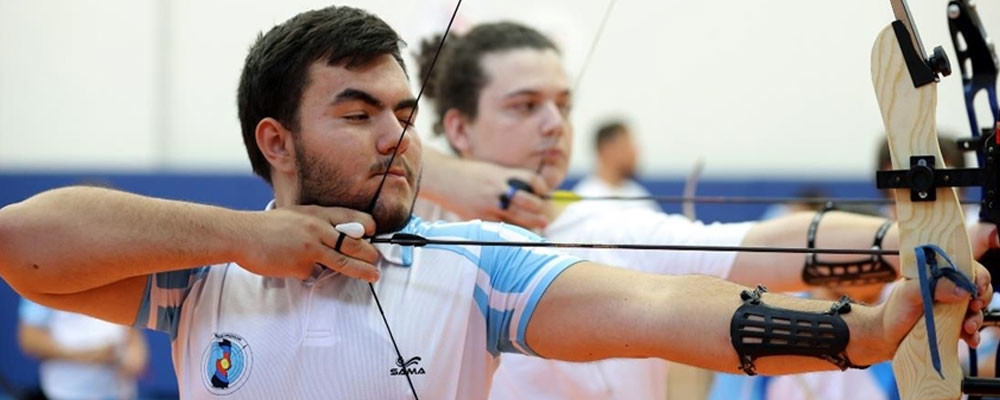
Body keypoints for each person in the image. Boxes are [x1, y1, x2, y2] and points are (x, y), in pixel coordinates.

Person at [0, 6, 991, 399]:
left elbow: (662, 304)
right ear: (276, 139)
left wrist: (860, 331)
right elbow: (23, 244)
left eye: (401, 111)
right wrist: (248, 238)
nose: (396, 134)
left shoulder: (470, 261)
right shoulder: (201, 274)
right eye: (358, 113)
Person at [410, 21, 997, 400]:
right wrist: (443, 173)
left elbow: (761, 245)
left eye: (563, 105)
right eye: (524, 105)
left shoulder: (602, 219)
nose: (553, 125)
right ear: (457, 126)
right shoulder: (403, 239)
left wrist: (937, 240)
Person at [18, 299, 147, 399]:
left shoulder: (119, 274)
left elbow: (135, 343)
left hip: (117, 393)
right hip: (63, 393)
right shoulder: (45, 277)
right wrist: (87, 355)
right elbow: (29, 339)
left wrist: (132, 357)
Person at [571, 120, 660, 211]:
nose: (635, 153)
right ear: (607, 151)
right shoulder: (585, 198)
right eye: (627, 146)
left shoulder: (638, 194)